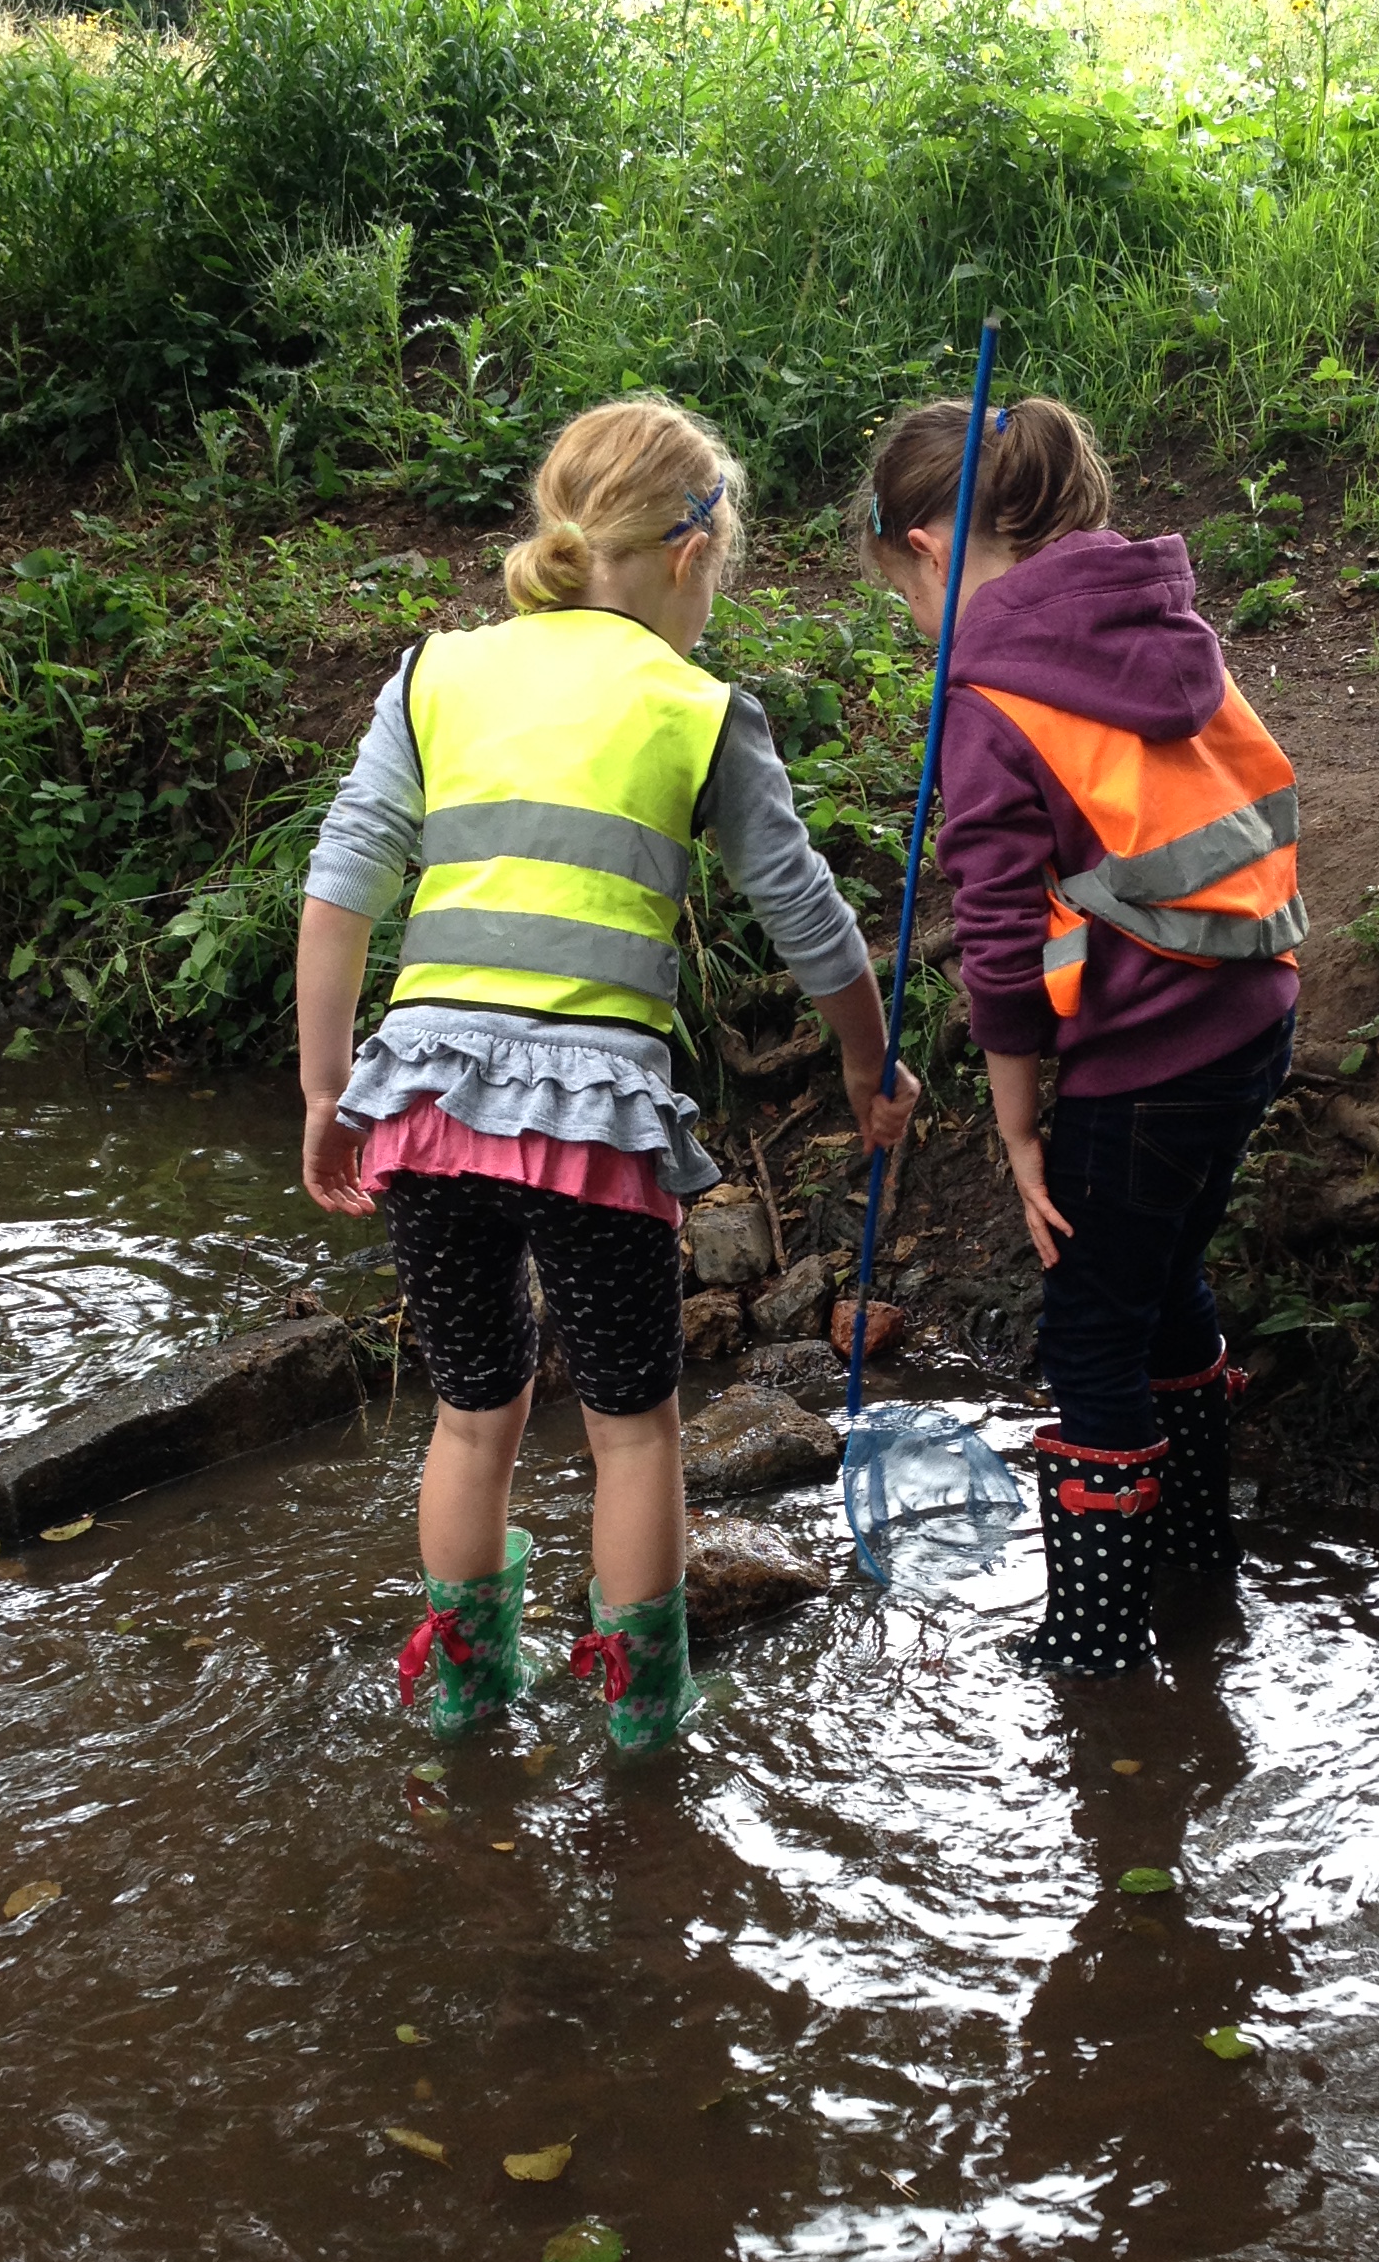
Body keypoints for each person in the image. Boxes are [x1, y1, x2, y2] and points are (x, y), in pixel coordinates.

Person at [297, 396, 916, 1751]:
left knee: (473, 1412)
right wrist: (872, 1064)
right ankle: (643, 1717)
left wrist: (327, 1089)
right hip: (590, 1117)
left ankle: (465, 1689)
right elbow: (808, 921)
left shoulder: (437, 674)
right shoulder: (698, 708)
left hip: (424, 1104)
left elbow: (342, 882)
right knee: (633, 1428)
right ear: (693, 554)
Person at [855, 394, 1303, 1676]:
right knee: (1163, 1279)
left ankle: (1096, 1645)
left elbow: (999, 939)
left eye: (904, 591)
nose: (916, 619)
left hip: (1147, 1058)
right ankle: (1198, 1561)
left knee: (1090, 1327)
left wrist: (1015, 1122)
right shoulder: (1157, 623)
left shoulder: (989, 695)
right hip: (1253, 1012)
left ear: (930, 548)